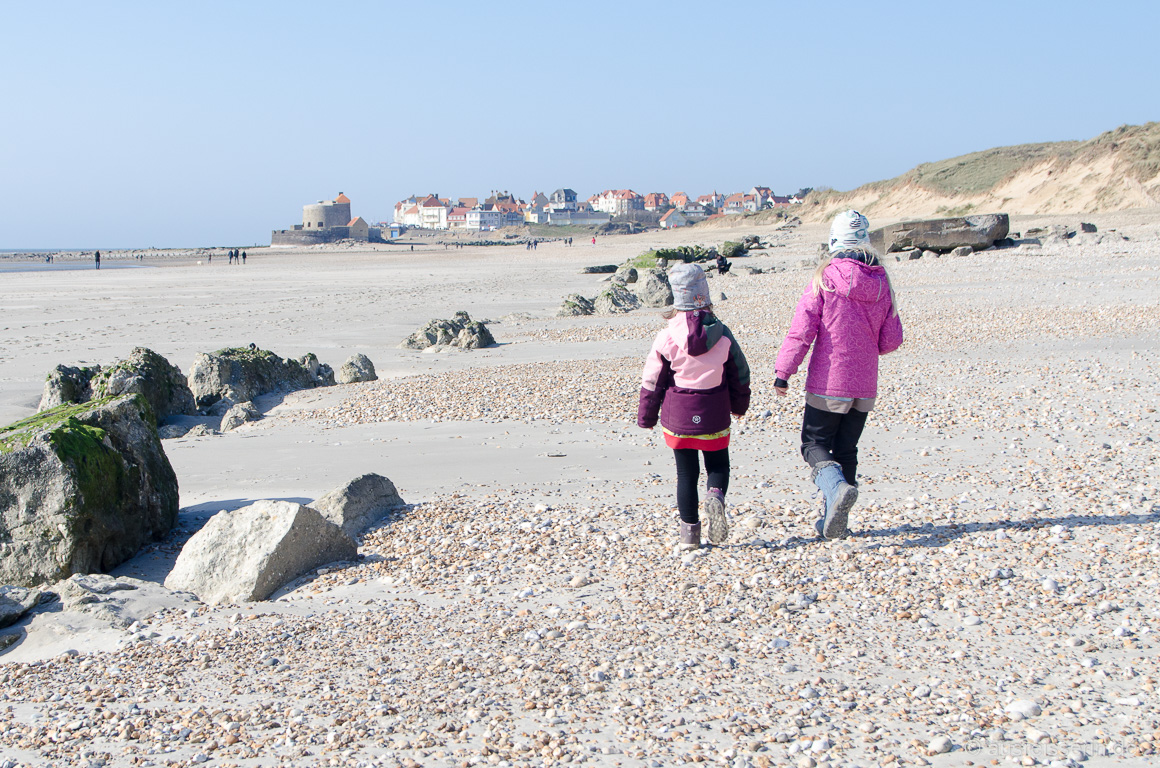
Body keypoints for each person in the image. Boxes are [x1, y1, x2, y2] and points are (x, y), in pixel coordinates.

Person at [773, 210, 903, 540]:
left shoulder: (825, 277)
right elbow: (890, 340)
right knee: (846, 451)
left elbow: (801, 331)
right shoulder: (881, 281)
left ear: (833, 240)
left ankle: (834, 490)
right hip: (865, 386)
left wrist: (784, 372)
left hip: (830, 381)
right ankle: (835, 521)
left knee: (813, 445)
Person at [638, 264, 751, 551]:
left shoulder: (666, 337)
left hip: (679, 417)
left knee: (686, 474)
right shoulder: (723, 334)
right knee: (718, 465)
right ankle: (715, 495)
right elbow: (740, 372)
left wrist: (647, 417)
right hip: (714, 413)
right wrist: (740, 406)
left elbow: (653, 380)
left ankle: (689, 536)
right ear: (706, 297)